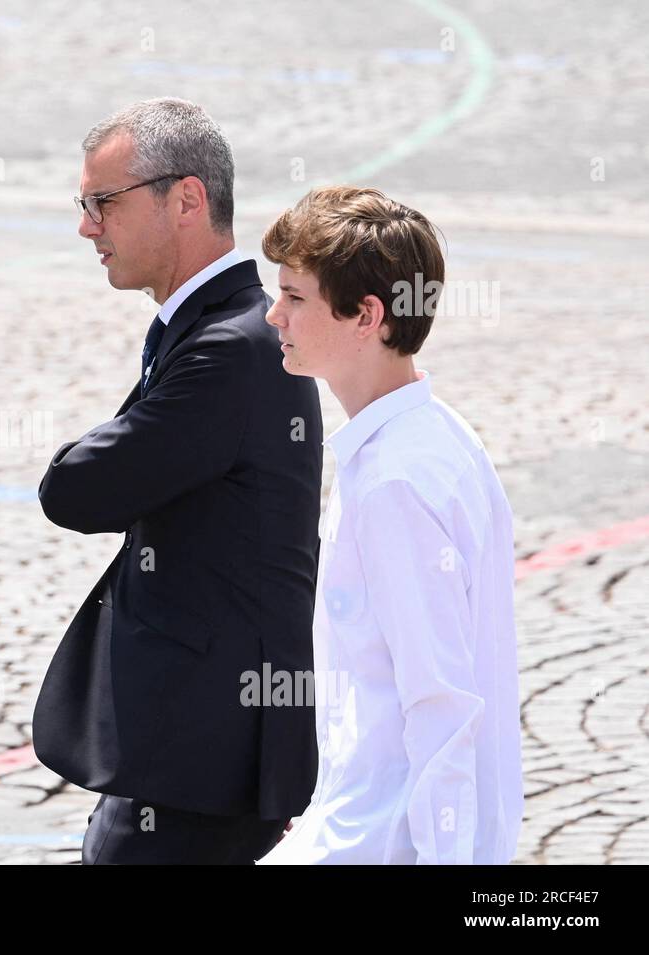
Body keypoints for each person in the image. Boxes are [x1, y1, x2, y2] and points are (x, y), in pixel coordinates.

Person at [31, 97, 324, 864]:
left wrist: (76, 452)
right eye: (84, 205)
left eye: (104, 203)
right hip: (193, 745)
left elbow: (79, 490)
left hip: (202, 755)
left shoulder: (229, 347)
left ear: (186, 199)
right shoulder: (221, 330)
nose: (87, 226)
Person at [255, 186, 523, 864]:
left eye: (294, 297)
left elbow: (441, 702)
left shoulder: (394, 481)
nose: (271, 315)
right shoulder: (434, 438)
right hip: (356, 824)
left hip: (382, 842)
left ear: (366, 315)